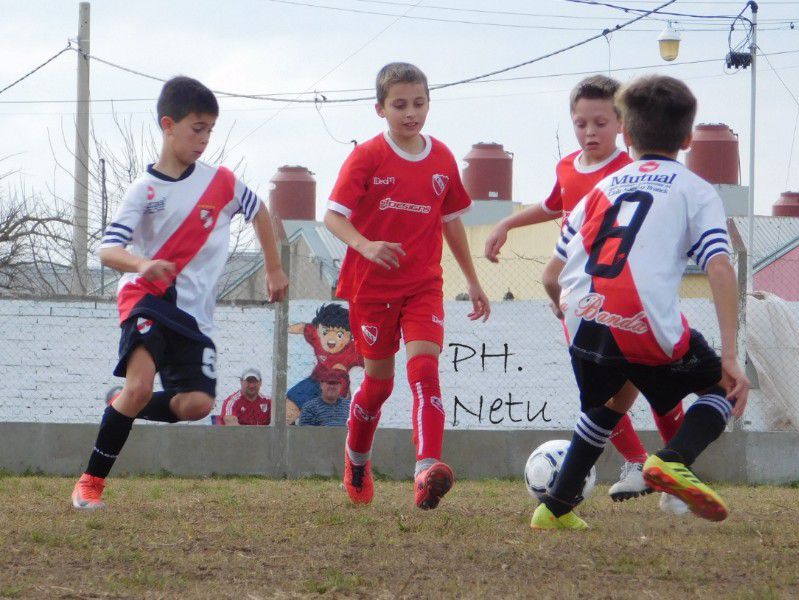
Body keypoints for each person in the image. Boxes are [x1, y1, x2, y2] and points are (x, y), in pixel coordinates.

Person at [531, 74, 750, 530]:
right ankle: (672, 460)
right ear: (688, 137)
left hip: (583, 316)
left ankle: (553, 508)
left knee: (611, 400)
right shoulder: (694, 189)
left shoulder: (599, 189)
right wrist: (730, 354)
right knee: (723, 389)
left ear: (626, 134)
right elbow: (719, 266)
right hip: (640, 316)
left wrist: (564, 309)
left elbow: (550, 275)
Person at [71, 76, 289, 510]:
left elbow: (260, 211)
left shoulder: (222, 183)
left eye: (210, 129)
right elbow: (108, 250)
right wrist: (143, 264)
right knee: (139, 386)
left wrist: (274, 266)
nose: (205, 139)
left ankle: (120, 406)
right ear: (168, 125)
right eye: (197, 128)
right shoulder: (143, 190)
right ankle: (90, 482)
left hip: (195, 317)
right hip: (147, 297)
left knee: (197, 404)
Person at [484, 75, 686, 508]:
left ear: (622, 125)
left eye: (600, 122)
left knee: (654, 386)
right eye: (581, 123)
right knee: (597, 395)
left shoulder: (632, 172)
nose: (590, 132)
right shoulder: (567, 168)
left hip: (629, 298)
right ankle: (636, 463)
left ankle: (676, 474)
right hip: (578, 302)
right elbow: (553, 204)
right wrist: (506, 224)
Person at [324, 62, 490, 510]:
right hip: (371, 289)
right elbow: (333, 216)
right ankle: (356, 459)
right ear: (380, 109)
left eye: (419, 103)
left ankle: (426, 471)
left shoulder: (442, 159)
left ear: (429, 103)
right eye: (399, 105)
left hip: (423, 286)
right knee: (378, 385)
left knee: (425, 372)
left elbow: (452, 222)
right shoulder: (367, 157)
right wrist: (366, 245)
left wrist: (473, 281)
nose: (410, 113)